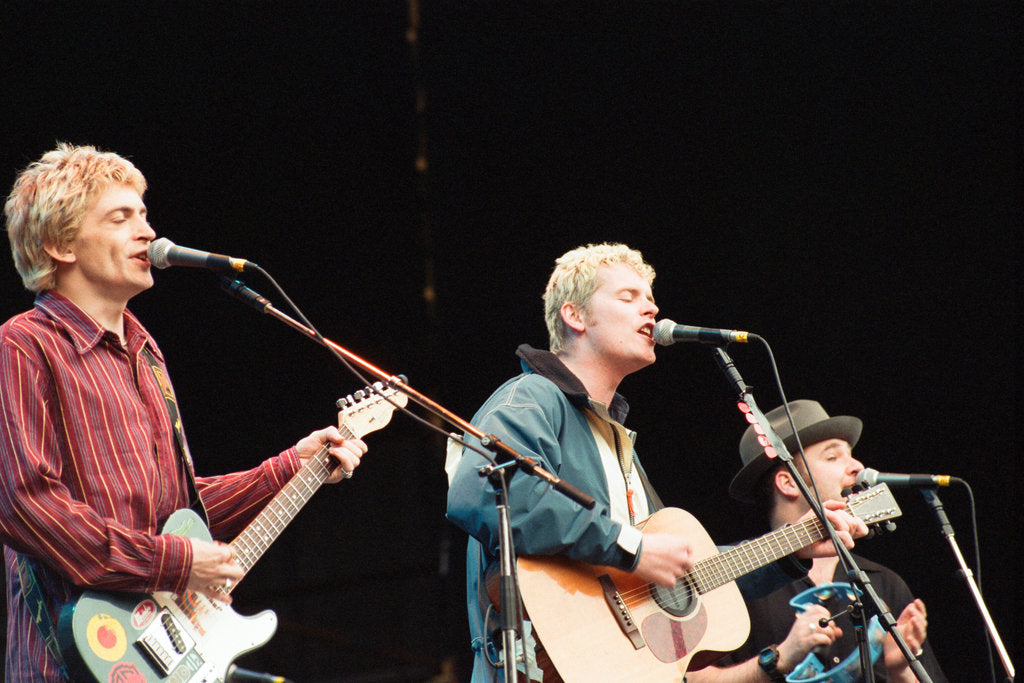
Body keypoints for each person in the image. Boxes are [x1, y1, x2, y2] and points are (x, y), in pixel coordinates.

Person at [0, 143, 368, 680]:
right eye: (121, 217)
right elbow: (26, 502)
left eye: (144, 215)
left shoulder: (147, 354)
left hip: (153, 652)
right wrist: (178, 563)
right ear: (60, 244)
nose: (147, 232)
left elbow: (177, 510)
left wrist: (291, 467)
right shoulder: (23, 345)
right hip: (63, 657)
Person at [445, 243, 867, 682]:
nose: (652, 308)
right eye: (629, 297)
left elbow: (681, 581)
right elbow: (484, 491)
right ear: (575, 316)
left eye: (650, 297)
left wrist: (789, 549)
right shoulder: (531, 398)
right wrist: (632, 548)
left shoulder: (616, 441)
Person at [688, 400, 947, 682]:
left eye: (851, 455)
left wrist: (901, 671)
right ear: (788, 483)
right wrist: (781, 657)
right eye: (832, 457)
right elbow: (687, 678)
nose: (857, 466)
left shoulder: (884, 583)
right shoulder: (733, 583)